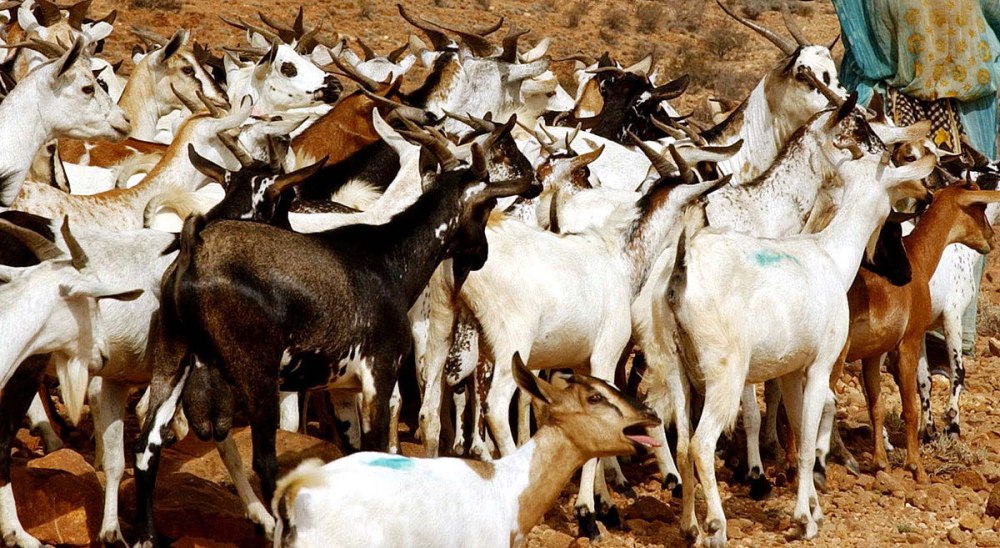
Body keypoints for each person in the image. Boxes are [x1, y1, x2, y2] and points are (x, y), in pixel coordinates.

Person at [834, 0, 1000, 355]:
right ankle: (872, 324)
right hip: (887, 93)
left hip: (963, 97)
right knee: (883, 214)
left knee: (959, 214)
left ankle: (943, 336)